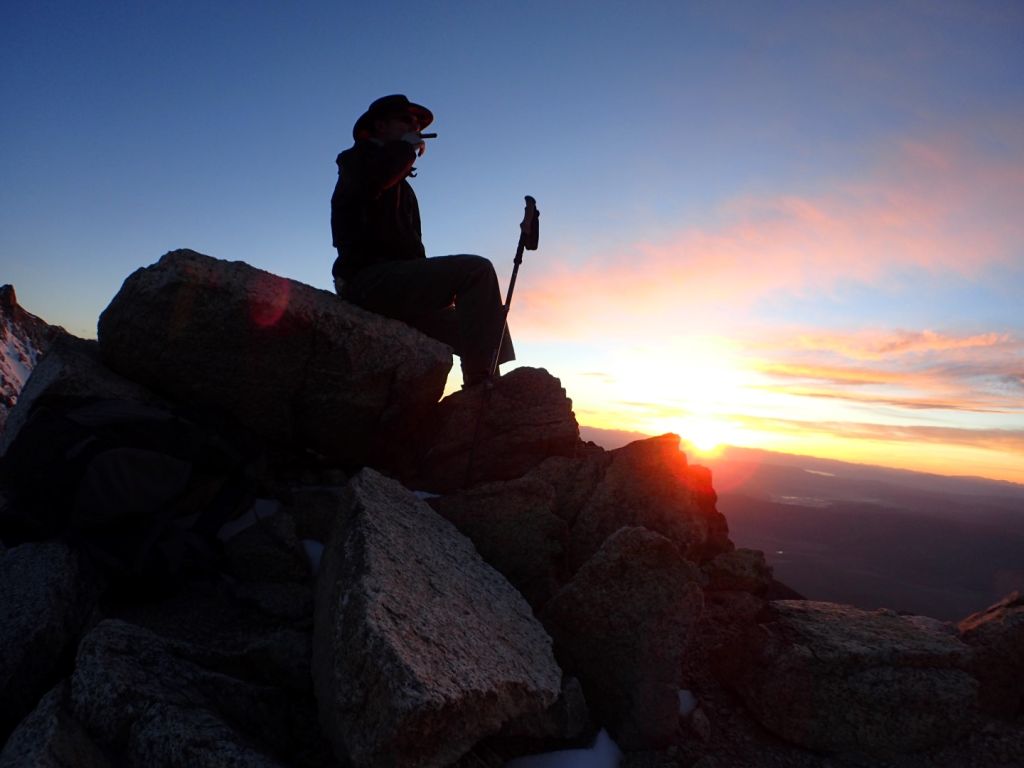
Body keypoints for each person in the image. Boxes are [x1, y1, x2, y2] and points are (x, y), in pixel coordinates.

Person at [330, 94, 514, 387]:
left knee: (482, 321)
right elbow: (374, 180)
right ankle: (482, 386)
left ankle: (490, 383)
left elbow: (412, 254)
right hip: (368, 282)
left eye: (416, 123)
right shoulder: (356, 161)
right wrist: (405, 148)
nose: (414, 126)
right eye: (406, 120)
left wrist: (435, 293)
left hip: (396, 288)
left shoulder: (402, 187)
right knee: (476, 271)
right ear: (380, 125)